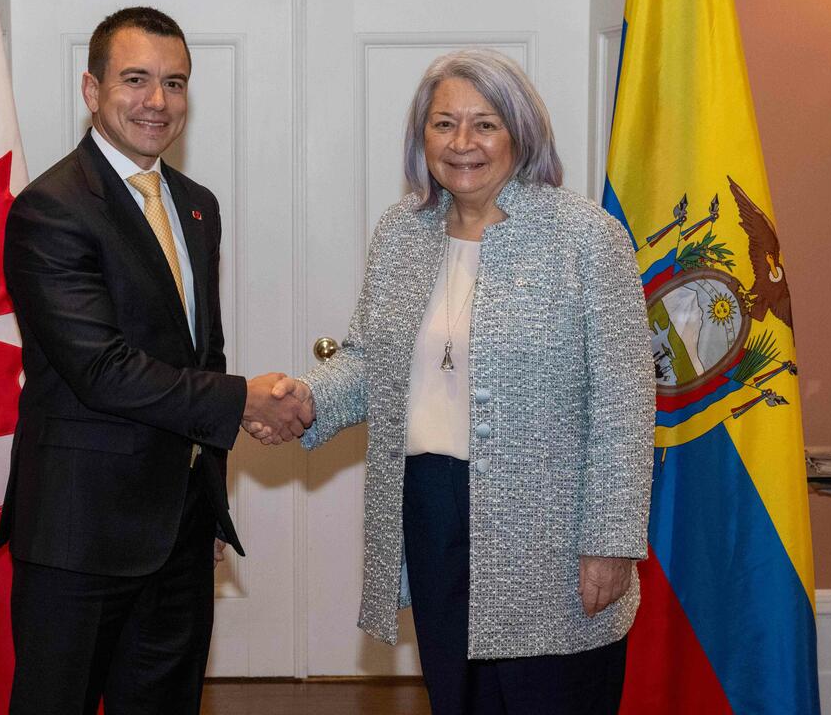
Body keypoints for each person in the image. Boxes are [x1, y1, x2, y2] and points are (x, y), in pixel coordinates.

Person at [247, 48, 654, 714]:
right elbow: (369, 361)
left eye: (485, 124)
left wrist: (609, 542)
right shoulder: (401, 233)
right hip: (432, 511)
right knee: (457, 701)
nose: (462, 143)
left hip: (547, 530)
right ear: (421, 137)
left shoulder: (586, 237)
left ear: (521, 132)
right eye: (443, 125)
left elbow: (624, 405)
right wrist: (307, 396)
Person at [0, 6, 310, 715]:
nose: (157, 102)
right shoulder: (50, 209)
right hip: (80, 534)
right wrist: (244, 401)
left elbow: (203, 351)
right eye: (135, 80)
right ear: (91, 89)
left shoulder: (196, 206)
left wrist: (211, 504)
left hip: (179, 532)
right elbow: (101, 369)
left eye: (175, 83)